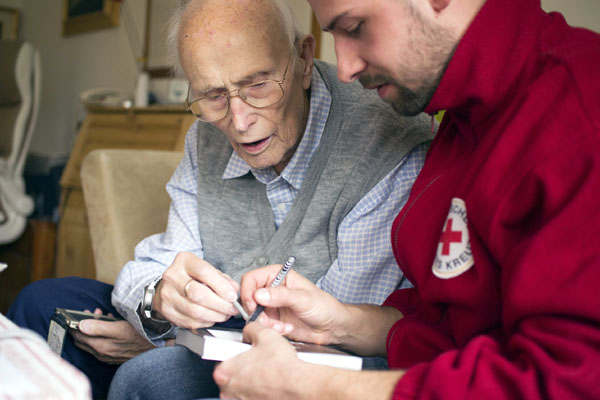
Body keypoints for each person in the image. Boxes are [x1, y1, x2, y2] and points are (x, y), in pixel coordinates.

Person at [7, 0, 433, 398]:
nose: (241, 122)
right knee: (41, 303)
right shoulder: (207, 136)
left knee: (153, 374)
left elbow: (323, 332)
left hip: (317, 355)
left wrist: (165, 340)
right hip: (214, 331)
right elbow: (154, 264)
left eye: (259, 84)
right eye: (213, 96)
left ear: (303, 60)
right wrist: (158, 305)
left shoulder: (382, 137)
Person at [209, 0, 600, 399]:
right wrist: (340, 322)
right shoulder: (463, 119)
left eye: (356, 27)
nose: (344, 69)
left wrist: (309, 388)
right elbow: (448, 323)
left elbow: (565, 382)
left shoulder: (579, 113)